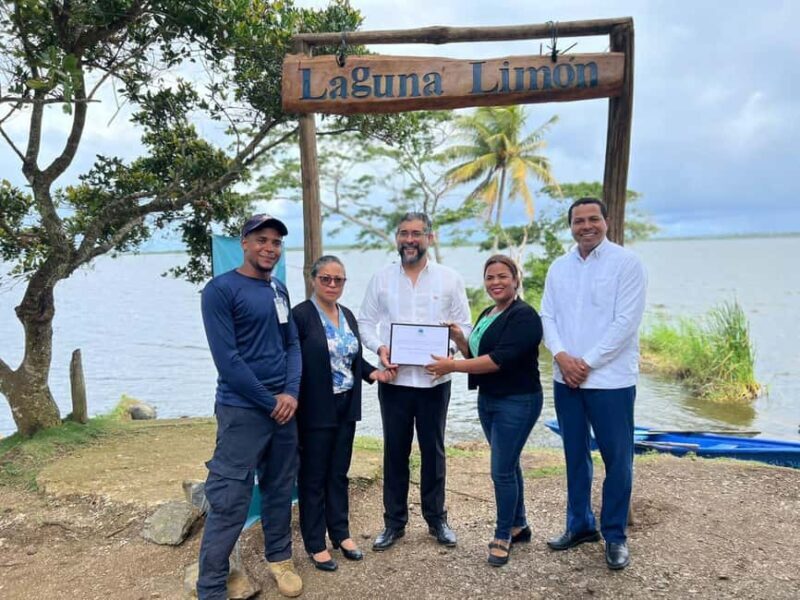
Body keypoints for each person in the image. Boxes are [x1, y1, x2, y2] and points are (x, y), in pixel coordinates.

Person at [198, 214, 303, 599]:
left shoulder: (279, 289)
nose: (269, 248)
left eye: (276, 242)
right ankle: (211, 586)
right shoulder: (220, 290)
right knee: (229, 498)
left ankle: (280, 559)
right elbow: (228, 360)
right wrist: (269, 400)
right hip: (241, 411)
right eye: (261, 240)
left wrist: (290, 393)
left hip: (284, 411)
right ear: (244, 243)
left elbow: (291, 345)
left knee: (279, 487)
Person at [540, 197, 647, 570]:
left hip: (611, 381)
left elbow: (626, 322)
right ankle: (580, 525)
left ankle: (615, 535)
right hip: (565, 378)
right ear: (570, 226)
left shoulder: (627, 263)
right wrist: (561, 356)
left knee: (618, 460)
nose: (586, 226)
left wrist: (586, 363)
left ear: (606, 220)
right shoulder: (559, 267)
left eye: (593, 219)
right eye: (578, 221)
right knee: (575, 456)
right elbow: (547, 316)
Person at [358, 212, 472, 551]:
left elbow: (464, 326)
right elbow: (365, 322)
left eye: (417, 234)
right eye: (404, 233)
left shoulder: (450, 279)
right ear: (397, 238)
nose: (410, 240)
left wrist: (450, 352)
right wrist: (379, 348)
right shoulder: (381, 278)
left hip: (434, 381)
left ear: (429, 238)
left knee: (433, 452)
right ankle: (394, 523)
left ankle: (437, 519)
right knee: (395, 451)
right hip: (394, 381)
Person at [425, 255, 543, 566]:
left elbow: (498, 360)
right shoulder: (488, 313)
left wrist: (452, 366)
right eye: (490, 277)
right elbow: (477, 354)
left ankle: (502, 535)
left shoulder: (525, 316)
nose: (495, 282)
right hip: (489, 399)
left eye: (502, 276)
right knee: (509, 464)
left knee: (501, 470)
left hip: (518, 400)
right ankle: (519, 525)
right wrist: (460, 339)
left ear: (515, 279)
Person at [292, 255, 396, 572]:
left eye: (339, 279)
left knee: (338, 473)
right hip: (315, 408)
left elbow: (351, 359)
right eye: (326, 278)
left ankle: (340, 533)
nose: (332, 284)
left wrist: (374, 373)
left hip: (346, 406)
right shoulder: (301, 316)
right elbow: (293, 362)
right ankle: (315, 542)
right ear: (313, 280)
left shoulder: (347, 315)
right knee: (313, 477)